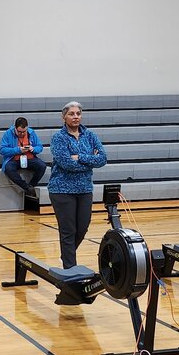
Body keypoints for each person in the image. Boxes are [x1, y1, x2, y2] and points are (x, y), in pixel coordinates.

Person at [48, 101, 108, 269]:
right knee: (68, 230)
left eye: (78, 114)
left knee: (82, 228)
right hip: (61, 189)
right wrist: (90, 160)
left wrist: (80, 157)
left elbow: (102, 159)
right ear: (64, 117)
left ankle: (66, 255)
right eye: (71, 114)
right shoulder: (58, 138)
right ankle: (70, 269)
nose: (75, 117)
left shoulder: (90, 135)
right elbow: (67, 164)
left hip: (85, 189)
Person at [0, 116, 47, 198]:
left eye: (24, 132)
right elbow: (2, 150)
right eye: (19, 132)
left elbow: (40, 147)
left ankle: (31, 186)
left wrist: (33, 149)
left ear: (27, 128)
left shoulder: (31, 133)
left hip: (29, 158)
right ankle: (27, 187)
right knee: (8, 168)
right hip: (14, 159)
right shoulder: (8, 133)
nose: (22, 134)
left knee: (42, 166)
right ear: (15, 128)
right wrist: (18, 150)